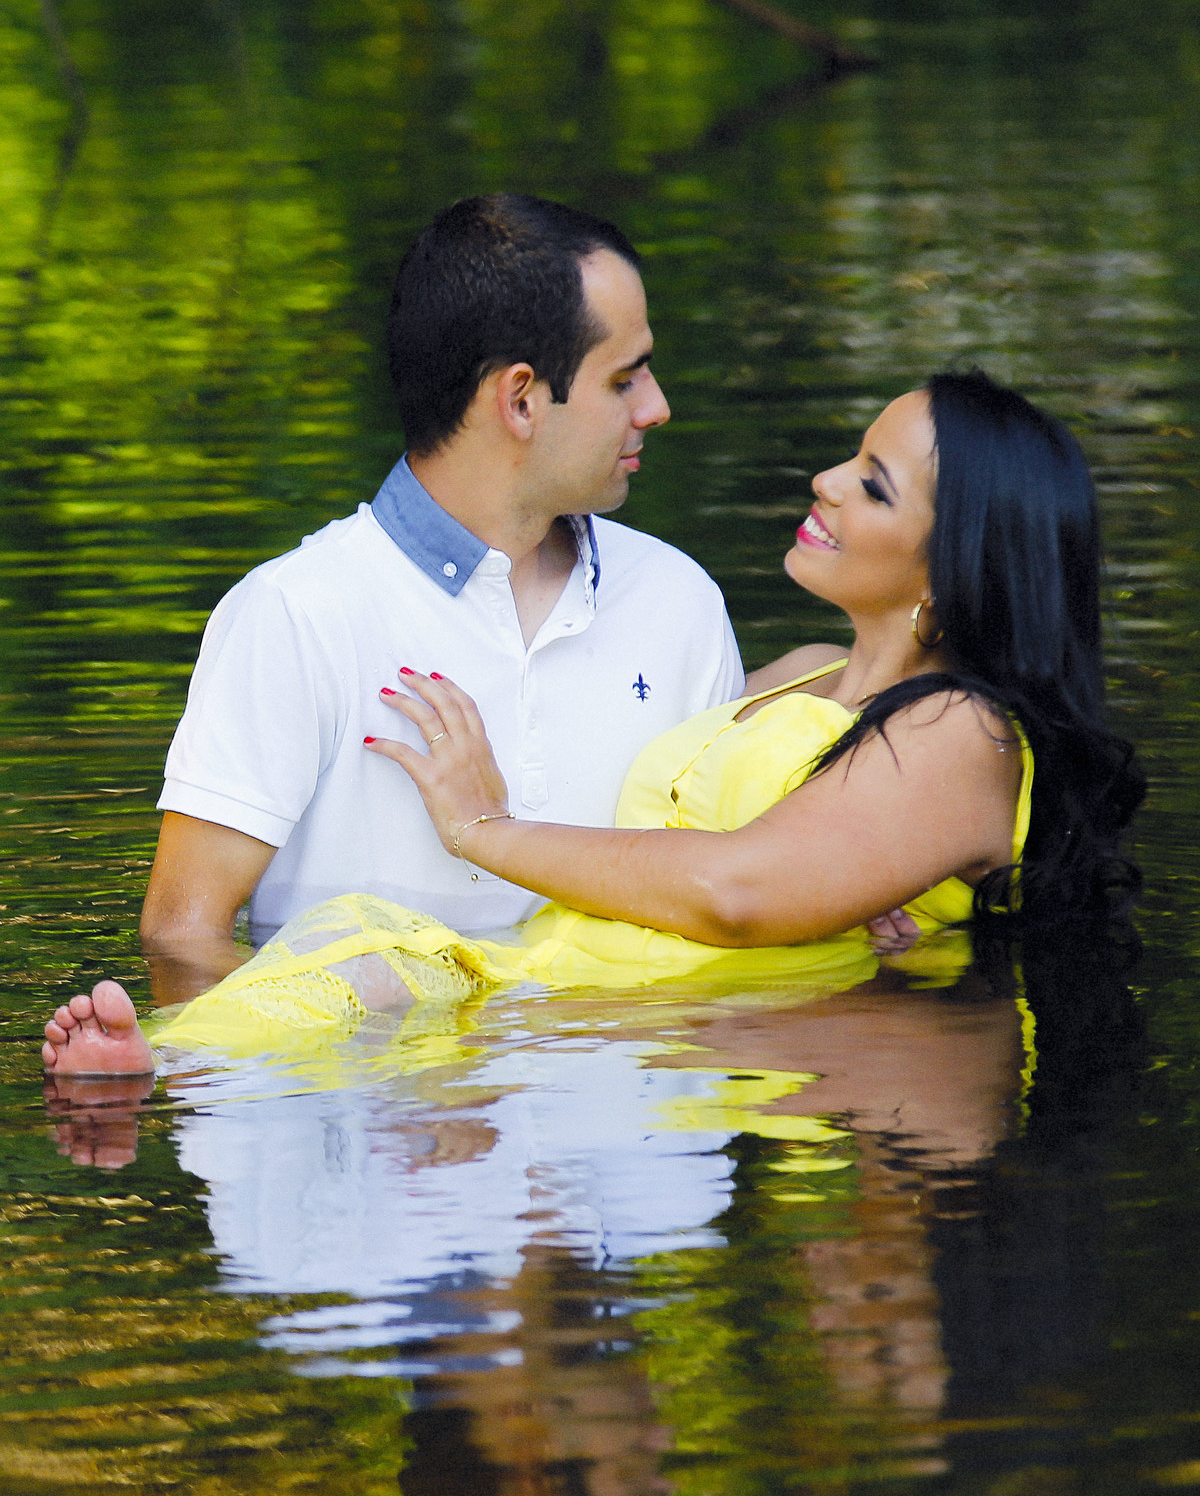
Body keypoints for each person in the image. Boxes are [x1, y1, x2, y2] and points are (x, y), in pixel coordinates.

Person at [42, 368, 1145, 1076]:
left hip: (635, 1024)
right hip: (564, 988)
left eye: (873, 484)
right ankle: (166, 1058)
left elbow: (737, 887)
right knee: (363, 951)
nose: (824, 481)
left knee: (376, 969)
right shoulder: (805, 677)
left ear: (956, 567)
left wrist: (484, 831)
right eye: (851, 458)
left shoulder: (963, 733)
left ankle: (161, 1068)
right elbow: (753, 843)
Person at [135, 194, 743, 1006]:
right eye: (624, 378)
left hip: (635, 1075)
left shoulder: (679, 601)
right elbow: (181, 939)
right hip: (374, 1080)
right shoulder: (296, 614)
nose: (655, 407)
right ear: (521, 399)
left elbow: (739, 901)